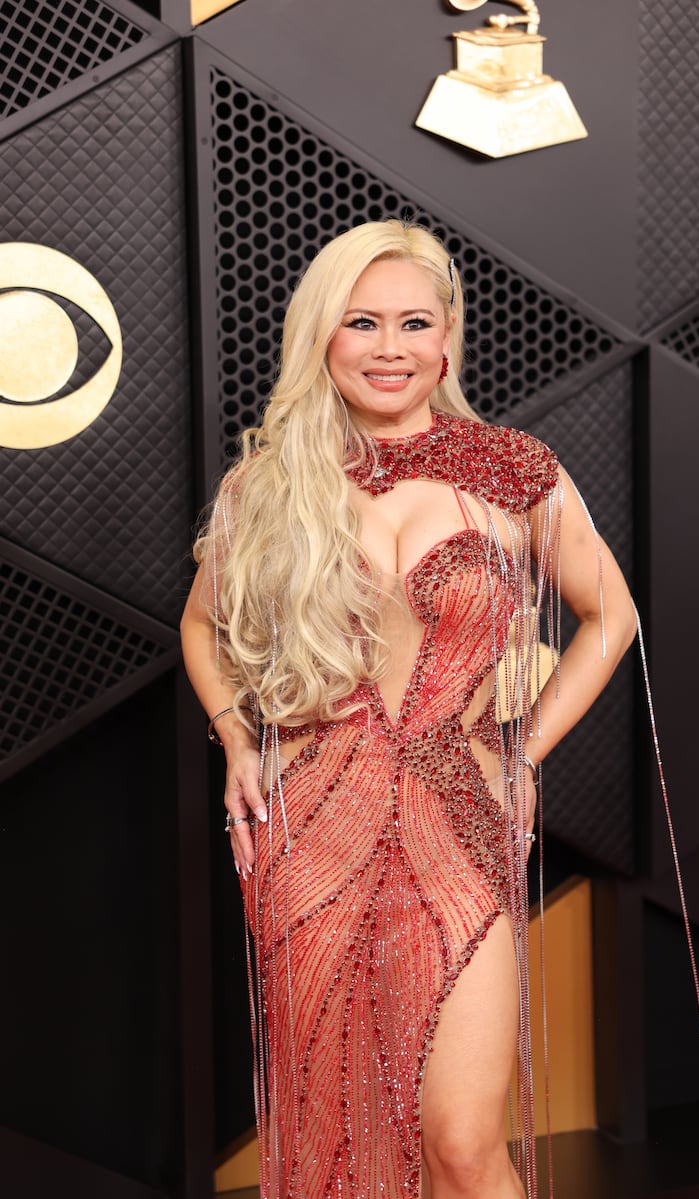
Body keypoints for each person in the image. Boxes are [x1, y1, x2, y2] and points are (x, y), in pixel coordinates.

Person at [180, 219, 637, 1199]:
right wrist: (234, 745)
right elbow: (201, 627)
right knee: (335, 1132)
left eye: (411, 322)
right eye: (360, 322)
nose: (388, 347)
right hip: (310, 831)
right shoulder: (271, 482)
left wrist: (523, 751)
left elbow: (611, 615)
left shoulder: (516, 471)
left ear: (447, 337)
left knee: (464, 1143)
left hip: (457, 819)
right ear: (324, 338)